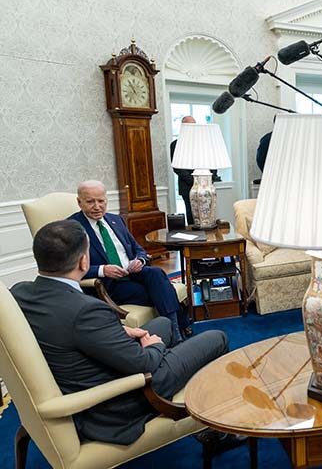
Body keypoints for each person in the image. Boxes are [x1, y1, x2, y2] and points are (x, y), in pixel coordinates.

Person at [10, 220, 230, 445]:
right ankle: (221, 429)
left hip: (90, 367)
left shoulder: (19, 293)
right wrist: (154, 346)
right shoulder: (86, 310)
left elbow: (64, 327)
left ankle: (178, 381)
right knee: (217, 338)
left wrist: (117, 332)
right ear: (84, 261)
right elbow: (144, 364)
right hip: (120, 398)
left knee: (162, 322)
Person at [69, 180, 186, 342]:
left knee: (156, 273)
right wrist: (103, 269)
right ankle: (179, 329)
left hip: (132, 273)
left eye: (101, 201)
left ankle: (174, 334)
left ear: (106, 200)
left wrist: (140, 260)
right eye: (90, 202)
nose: (97, 206)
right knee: (163, 290)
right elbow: (69, 268)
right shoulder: (71, 227)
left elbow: (138, 249)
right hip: (109, 284)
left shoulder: (115, 220)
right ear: (79, 202)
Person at [169, 116, 219, 225]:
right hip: (187, 186)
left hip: (207, 185)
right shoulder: (175, 145)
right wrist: (194, 181)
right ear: (183, 127)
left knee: (208, 216)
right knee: (192, 217)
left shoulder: (204, 143)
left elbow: (213, 162)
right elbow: (177, 167)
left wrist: (211, 178)